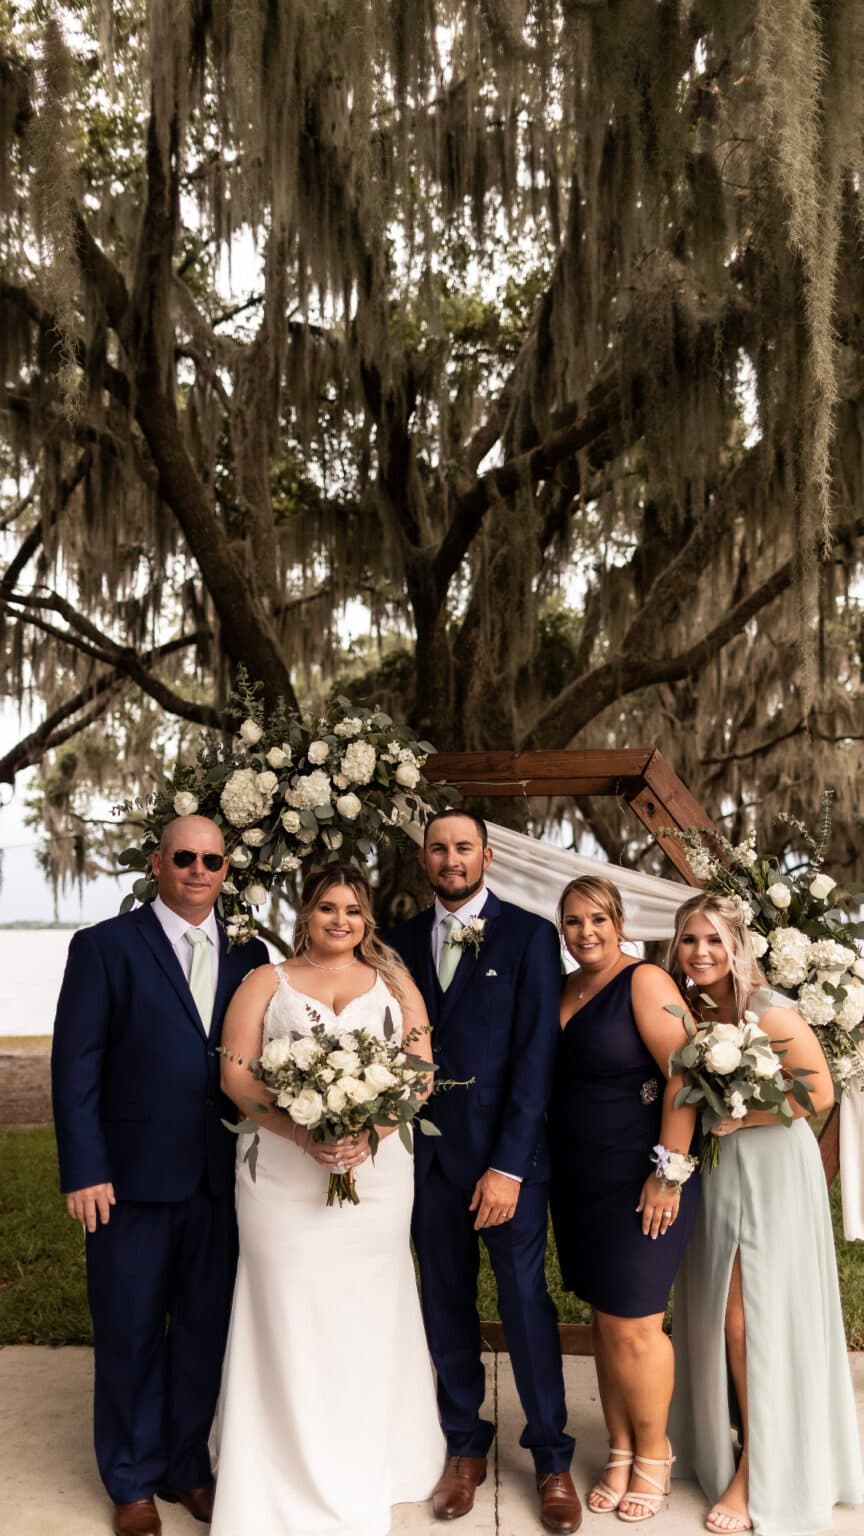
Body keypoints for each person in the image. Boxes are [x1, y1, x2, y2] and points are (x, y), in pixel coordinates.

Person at [212, 862, 446, 1536]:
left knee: (367, 1309)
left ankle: (372, 1454)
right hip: (280, 1177)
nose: (339, 920)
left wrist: (369, 1133)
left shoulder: (396, 984)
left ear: (366, 918)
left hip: (377, 1176)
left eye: (352, 909)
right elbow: (235, 1074)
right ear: (306, 915)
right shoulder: (267, 981)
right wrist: (298, 1132)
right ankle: (279, 1463)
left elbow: (420, 1073)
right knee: (286, 1304)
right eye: (326, 909)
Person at [51, 815, 268, 1536]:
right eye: (184, 856)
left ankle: (186, 1467)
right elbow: (75, 1066)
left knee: (203, 1332)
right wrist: (85, 1169)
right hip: (130, 1182)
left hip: (220, 1180)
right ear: (157, 862)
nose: (198, 869)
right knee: (130, 1331)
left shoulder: (249, 953)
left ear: (226, 868)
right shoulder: (105, 947)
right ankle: (131, 1479)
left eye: (211, 859)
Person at [385, 810, 581, 1535]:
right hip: (426, 1161)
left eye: (463, 846)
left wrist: (507, 1166)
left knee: (526, 1304)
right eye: (438, 848)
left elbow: (537, 1060)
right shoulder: (398, 942)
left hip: (508, 1163)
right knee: (445, 1302)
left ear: (487, 856)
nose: (450, 858)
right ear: (425, 861)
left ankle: (552, 1457)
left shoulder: (531, 937)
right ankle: (464, 1445)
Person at [668, 892, 862, 1535]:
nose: (701, 953)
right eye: (690, 940)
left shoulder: (766, 1011)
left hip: (773, 1168)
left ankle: (757, 1474)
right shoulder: (688, 1010)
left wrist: (739, 1116)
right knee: (723, 1314)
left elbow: (821, 1091)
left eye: (714, 941)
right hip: (723, 1176)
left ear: (737, 946)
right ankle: (728, 1444)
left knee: (747, 1322)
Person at [547, 874, 699, 1524]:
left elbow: (686, 1074)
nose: (586, 933)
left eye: (597, 920)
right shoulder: (564, 988)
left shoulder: (645, 982)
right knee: (605, 1324)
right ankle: (619, 1449)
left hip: (642, 1180)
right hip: (578, 1181)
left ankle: (655, 1455)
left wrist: (669, 1172)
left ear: (620, 923)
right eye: (574, 922)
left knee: (637, 1325)